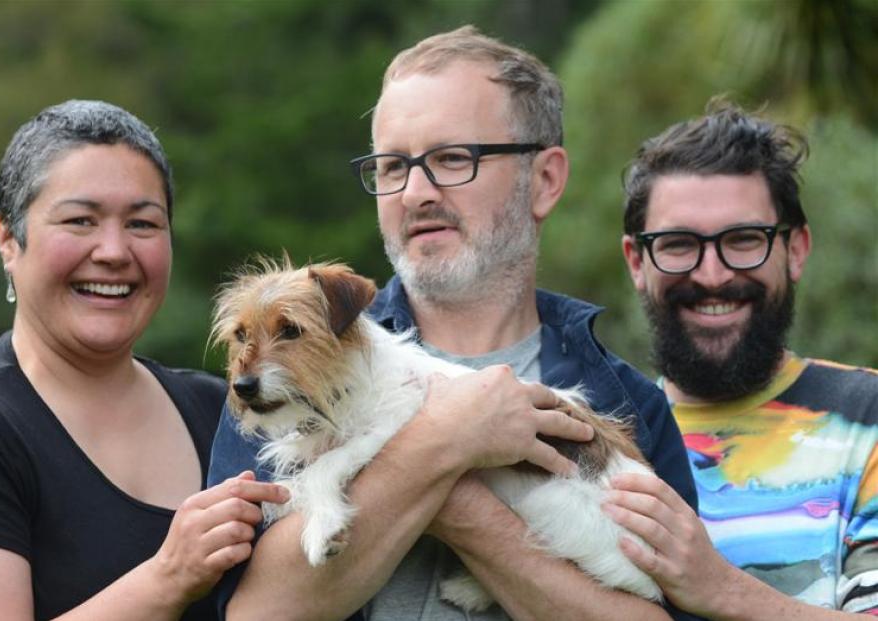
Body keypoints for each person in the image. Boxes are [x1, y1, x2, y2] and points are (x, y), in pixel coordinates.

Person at [208, 26, 700, 620]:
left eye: (451, 158)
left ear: (544, 180)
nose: (415, 192)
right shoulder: (289, 376)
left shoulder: (629, 402)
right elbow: (256, 614)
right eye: (392, 167)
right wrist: (443, 442)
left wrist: (459, 504)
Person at [0, 100, 289, 620]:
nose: (115, 251)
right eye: (80, 220)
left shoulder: (225, 409)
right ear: (8, 238)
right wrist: (169, 576)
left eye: (143, 224)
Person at [607, 101, 878, 618]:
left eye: (744, 240)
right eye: (679, 245)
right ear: (637, 261)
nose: (712, 275)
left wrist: (718, 587)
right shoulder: (607, 439)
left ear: (795, 251)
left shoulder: (868, 420)